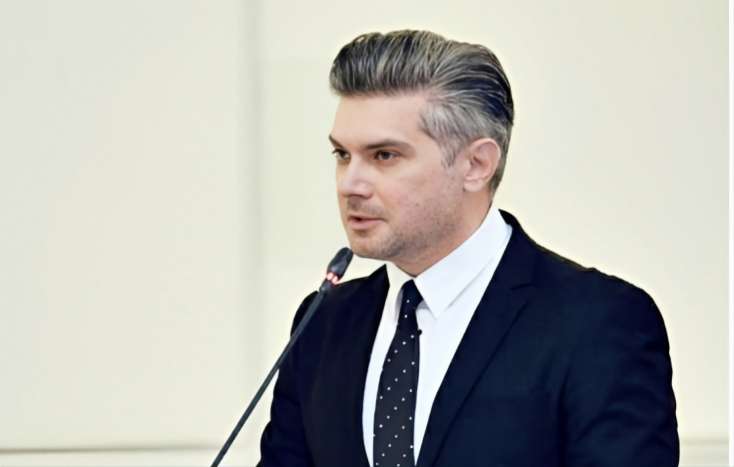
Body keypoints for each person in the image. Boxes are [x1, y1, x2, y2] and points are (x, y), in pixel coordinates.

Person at [257, 29, 678, 467]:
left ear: (476, 165)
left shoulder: (599, 323)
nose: (350, 184)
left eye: (384, 156)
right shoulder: (322, 323)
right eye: (342, 155)